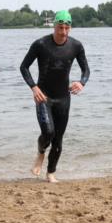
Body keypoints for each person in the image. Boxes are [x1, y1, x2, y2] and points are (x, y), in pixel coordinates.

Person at [20, 10, 90, 183]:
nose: (63, 32)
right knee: (48, 132)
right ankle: (40, 152)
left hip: (63, 98)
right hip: (43, 97)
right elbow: (24, 67)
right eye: (60, 28)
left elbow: (86, 70)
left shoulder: (76, 46)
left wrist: (81, 82)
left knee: (58, 140)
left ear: (70, 28)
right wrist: (34, 87)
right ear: (54, 26)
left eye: (67, 28)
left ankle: (51, 173)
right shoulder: (41, 44)